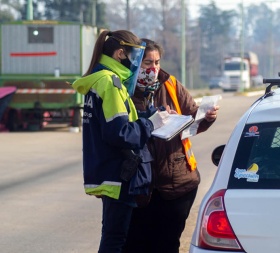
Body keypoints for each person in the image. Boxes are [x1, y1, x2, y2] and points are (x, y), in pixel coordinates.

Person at [124, 39, 219, 253]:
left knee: (167, 244)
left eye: (157, 62)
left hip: (177, 184)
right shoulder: (123, 90)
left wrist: (207, 116)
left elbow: (193, 118)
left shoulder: (170, 84)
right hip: (140, 186)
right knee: (135, 244)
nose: (154, 68)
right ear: (135, 63)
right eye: (148, 62)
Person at [72, 30, 160, 253]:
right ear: (121, 53)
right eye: (137, 57)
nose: (138, 64)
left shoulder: (101, 80)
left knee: (113, 236)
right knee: (115, 240)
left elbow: (117, 123)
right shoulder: (110, 83)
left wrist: (147, 117)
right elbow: (119, 132)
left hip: (110, 170)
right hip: (118, 173)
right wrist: (152, 125)